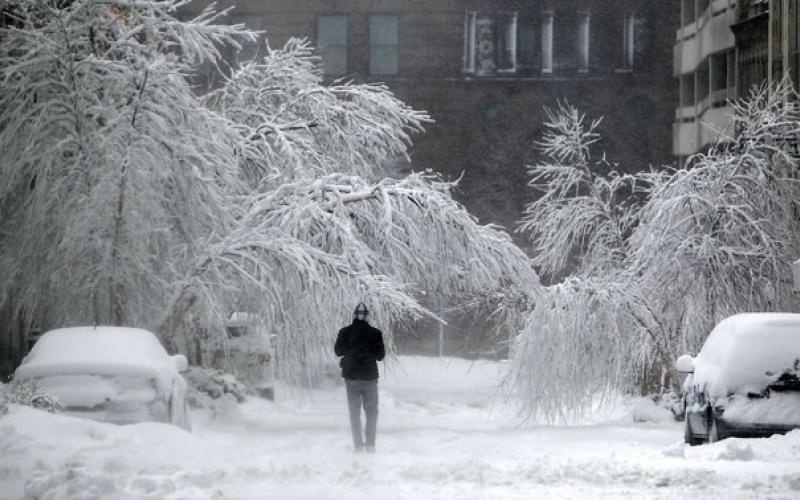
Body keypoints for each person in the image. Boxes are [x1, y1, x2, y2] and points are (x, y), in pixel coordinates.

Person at [334, 302, 386, 453]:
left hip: (351, 378)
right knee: (371, 412)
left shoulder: (345, 332)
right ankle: (370, 445)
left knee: (354, 412)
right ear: (367, 317)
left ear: (354, 316)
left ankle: (358, 445)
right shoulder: (375, 333)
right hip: (369, 378)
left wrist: (351, 349)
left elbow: (338, 351)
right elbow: (380, 356)